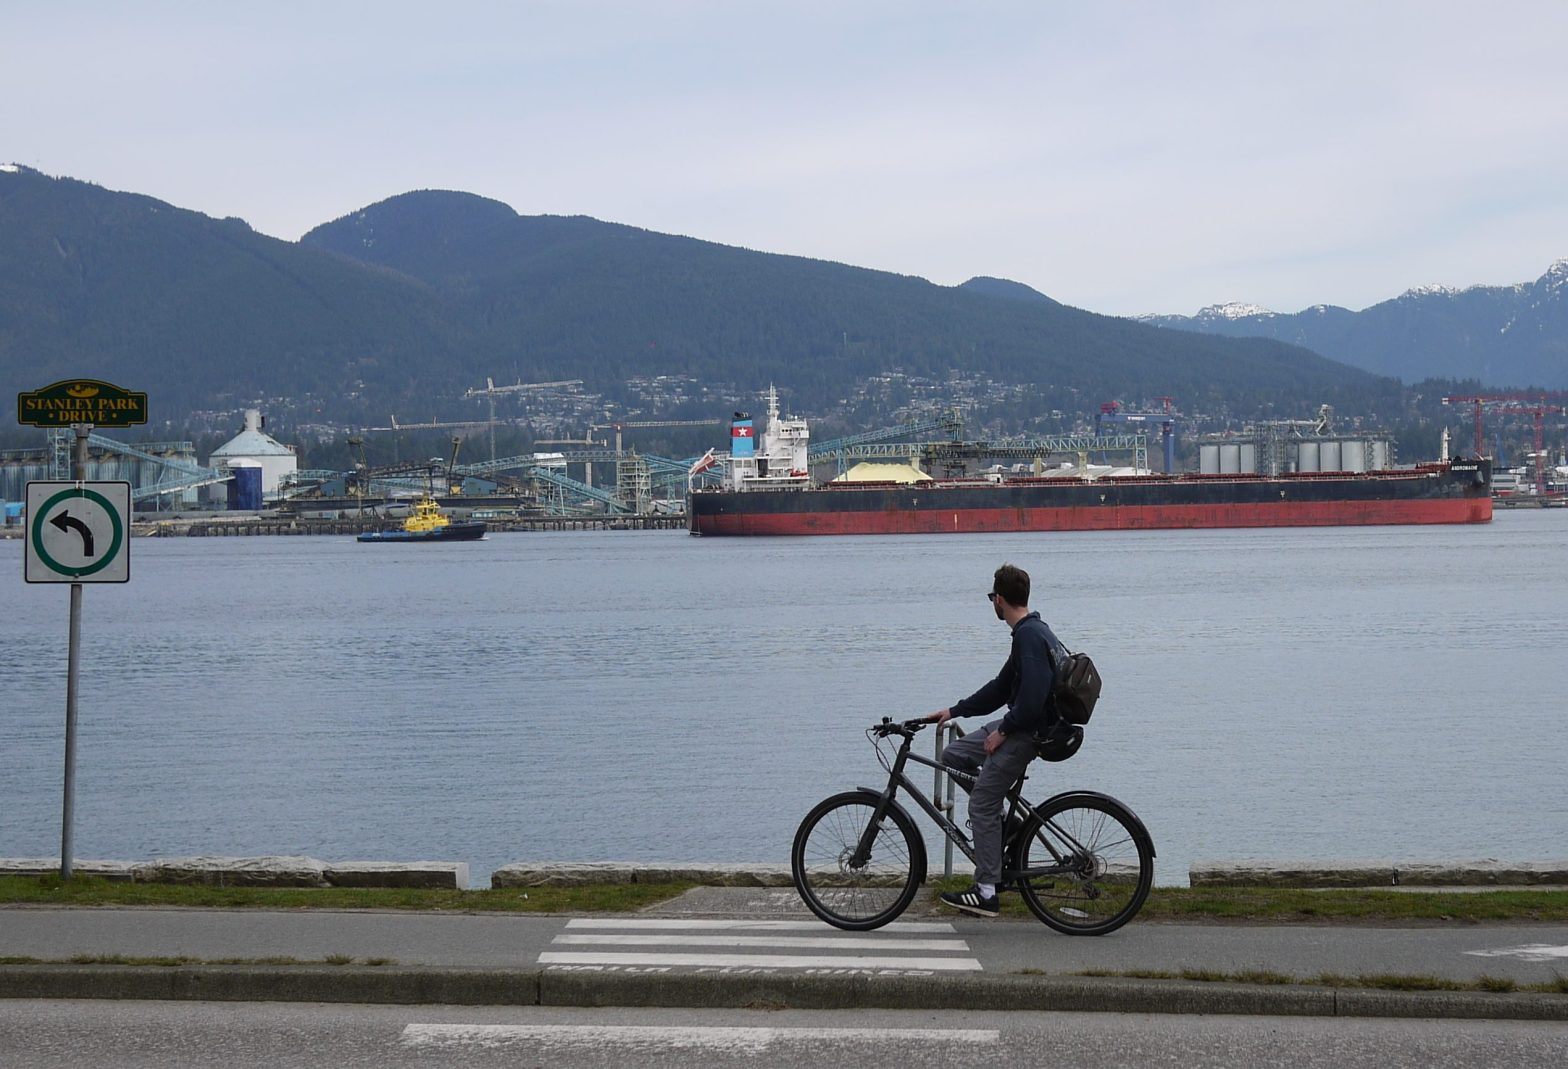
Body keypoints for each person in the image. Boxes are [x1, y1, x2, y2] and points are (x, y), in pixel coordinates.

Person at [925, 562, 1056, 917]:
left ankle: (986, 893)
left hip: (1026, 733)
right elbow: (1001, 689)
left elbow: (1031, 702)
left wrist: (1003, 732)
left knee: (980, 804)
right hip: (1019, 723)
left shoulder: (1029, 636)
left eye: (991, 598)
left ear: (998, 599)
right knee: (953, 755)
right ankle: (1005, 826)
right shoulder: (1029, 631)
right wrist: (954, 711)